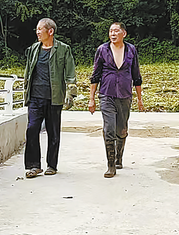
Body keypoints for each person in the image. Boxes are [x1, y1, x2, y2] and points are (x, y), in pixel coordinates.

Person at [88, 22, 144, 178]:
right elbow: (95, 75)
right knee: (109, 129)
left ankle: (119, 157)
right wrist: (91, 98)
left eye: (116, 31)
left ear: (123, 33)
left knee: (121, 130)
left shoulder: (131, 50)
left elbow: (136, 75)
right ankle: (111, 165)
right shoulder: (102, 50)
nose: (112, 34)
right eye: (110, 31)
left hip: (125, 95)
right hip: (107, 94)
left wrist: (139, 99)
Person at [23, 18, 77, 178]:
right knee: (32, 129)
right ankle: (34, 165)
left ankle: (52, 165)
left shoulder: (63, 49)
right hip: (35, 97)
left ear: (50, 31)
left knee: (53, 133)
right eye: (37, 29)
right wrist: (25, 90)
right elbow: (28, 71)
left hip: (54, 97)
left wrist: (70, 94)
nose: (37, 32)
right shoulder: (33, 49)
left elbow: (70, 73)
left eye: (40, 29)